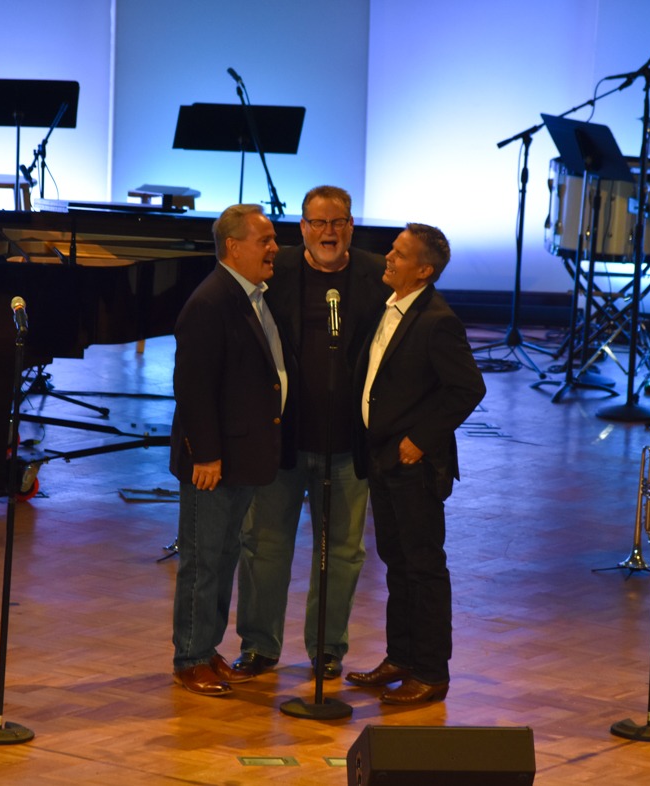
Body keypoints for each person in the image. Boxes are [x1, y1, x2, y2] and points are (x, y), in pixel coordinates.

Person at [233, 186, 390, 680]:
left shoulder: (376, 275)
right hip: (282, 440)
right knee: (264, 545)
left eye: (338, 222)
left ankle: (327, 648)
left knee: (342, 552)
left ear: (351, 226)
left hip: (348, 444)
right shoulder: (274, 272)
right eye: (318, 223)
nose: (328, 232)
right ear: (301, 228)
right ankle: (259, 646)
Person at [345, 222, 486, 705]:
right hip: (382, 457)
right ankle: (401, 657)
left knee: (423, 568)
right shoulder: (390, 307)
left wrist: (421, 439)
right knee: (397, 563)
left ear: (423, 271)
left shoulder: (437, 321)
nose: (388, 257)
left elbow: (468, 388)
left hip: (414, 466)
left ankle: (430, 672)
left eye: (400, 254)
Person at [169, 203, 291, 697]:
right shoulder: (211, 301)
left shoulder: (248, 294)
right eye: (266, 240)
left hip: (239, 457)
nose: (275, 248)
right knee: (203, 562)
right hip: (212, 462)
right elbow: (193, 387)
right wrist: (206, 455)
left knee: (223, 557)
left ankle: (206, 649)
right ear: (234, 247)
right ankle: (189, 658)